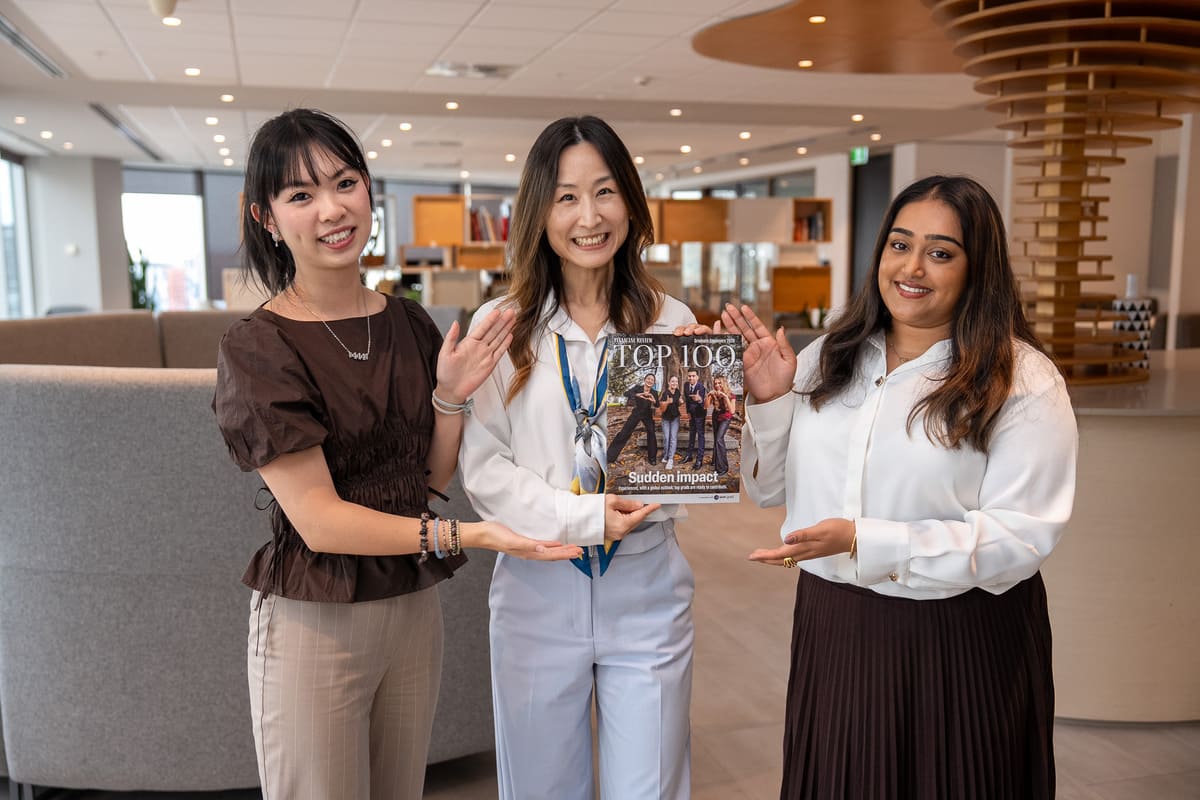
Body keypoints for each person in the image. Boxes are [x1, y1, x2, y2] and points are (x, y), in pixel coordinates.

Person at [213, 108, 582, 800]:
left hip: (412, 615)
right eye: (301, 195)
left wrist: (449, 398)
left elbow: (427, 480)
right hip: (314, 618)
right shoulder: (257, 347)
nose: (331, 209)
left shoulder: (408, 322)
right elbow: (321, 521)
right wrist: (469, 534)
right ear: (266, 217)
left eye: (345, 182)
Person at [724, 174, 1077, 799]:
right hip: (836, 629)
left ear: (977, 270)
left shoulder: (1021, 379)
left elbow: (1019, 539)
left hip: (962, 639)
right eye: (899, 244)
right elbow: (773, 490)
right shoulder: (828, 355)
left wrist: (867, 540)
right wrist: (773, 401)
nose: (913, 267)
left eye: (941, 252)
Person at [459, 115, 697, 800]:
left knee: (649, 787)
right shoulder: (500, 327)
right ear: (539, 211)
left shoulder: (671, 322)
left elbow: (680, 471)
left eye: (604, 192)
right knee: (539, 788)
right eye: (566, 197)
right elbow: (485, 471)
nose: (589, 217)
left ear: (630, 200)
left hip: (647, 588)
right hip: (539, 588)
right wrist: (583, 516)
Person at [606, 371, 659, 465]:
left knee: (651, 432)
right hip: (637, 412)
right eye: (648, 379)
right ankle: (610, 456)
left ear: (654, 383)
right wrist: (636, 395)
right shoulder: (638, 388)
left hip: (647, 414)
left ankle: (652, 458)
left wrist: (654, 400)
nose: (650, 381)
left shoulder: (654, 392)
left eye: (652, 380)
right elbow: (626, 393)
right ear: (645, 380)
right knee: (624, 432)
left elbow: (657, 405)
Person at [708, 374, 736, 476]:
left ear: (723, 383)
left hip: (725, 418)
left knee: (719, 439)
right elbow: (705, 406)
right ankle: (715, 461)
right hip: (716, 417)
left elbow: (732, 411)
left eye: (719, 383)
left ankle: (723, 467)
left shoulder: (731, 395)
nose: (717, 385)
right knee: (716, 439)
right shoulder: (714, 394)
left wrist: (725, 397)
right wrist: (709, 395)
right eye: (715, 383)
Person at [681, 368, 708, 468]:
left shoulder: (701, 387)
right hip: (691, 415)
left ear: (697, 377)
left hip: (700, 414)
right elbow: (687, 401)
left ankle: (699, 459)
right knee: (691, 434)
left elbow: (704, 405)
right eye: (689, 376)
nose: (691, 378)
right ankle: (689, 455)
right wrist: (688, 412)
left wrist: (700, 400)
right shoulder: (686, 385)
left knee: (700, 436)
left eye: (693, 376)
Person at [658, 373, 684, 469]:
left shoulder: (677, 392)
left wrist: (680, 403)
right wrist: (667, 402)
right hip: (666, 419)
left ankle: (670, 459)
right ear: (669, 382)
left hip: (675, 418)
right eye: (672, 381)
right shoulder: (665, 393)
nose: (674, 383)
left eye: (676, 381)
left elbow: (678, 404)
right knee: (666, 438)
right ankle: (666, 455)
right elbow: (662, 409)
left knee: (673, 438)